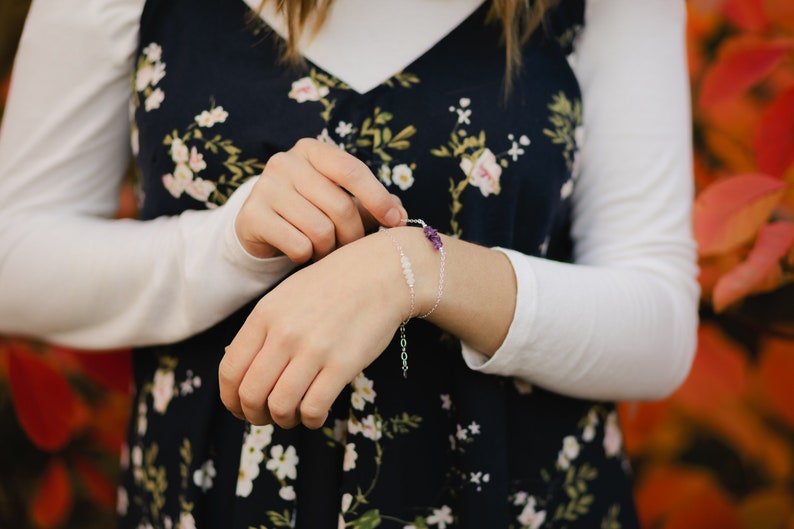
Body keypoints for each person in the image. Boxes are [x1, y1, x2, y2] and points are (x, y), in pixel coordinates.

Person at [0, 0, 699, 527]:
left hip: (516, 500)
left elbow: (659, 324)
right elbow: (15, 258)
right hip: (211, 501)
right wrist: (226, 246)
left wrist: (421, 270)